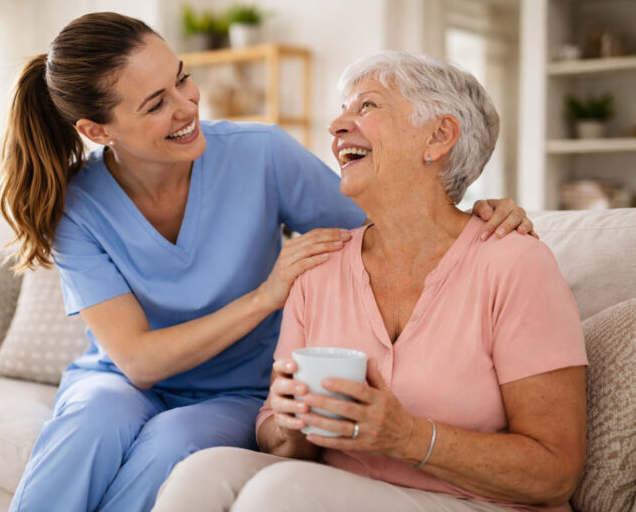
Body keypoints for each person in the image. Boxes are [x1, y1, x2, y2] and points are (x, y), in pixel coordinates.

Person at [0, 13, 535, 512]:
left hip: (237, 390)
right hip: (122, 379)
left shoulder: (261, 155)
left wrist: (479, 213)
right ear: (98, 130)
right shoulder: (74, 204)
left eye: (182, 79)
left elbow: (389, 219)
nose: (187, 106)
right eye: (155, 103)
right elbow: (138, 362)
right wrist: (266, 295)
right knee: (91, 420)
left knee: (174, 443)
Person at [152, 52, 588, 512]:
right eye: (343, 108)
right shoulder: (319, 266)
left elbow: (555, 472)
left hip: (479, 502)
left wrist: (407, 437)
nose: (337, 125)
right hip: (341, 489)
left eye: (366, 107)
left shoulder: (514, 263)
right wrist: (288, 421)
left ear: (439, 137)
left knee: (280, 493)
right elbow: (279, 441)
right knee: (202, 471)